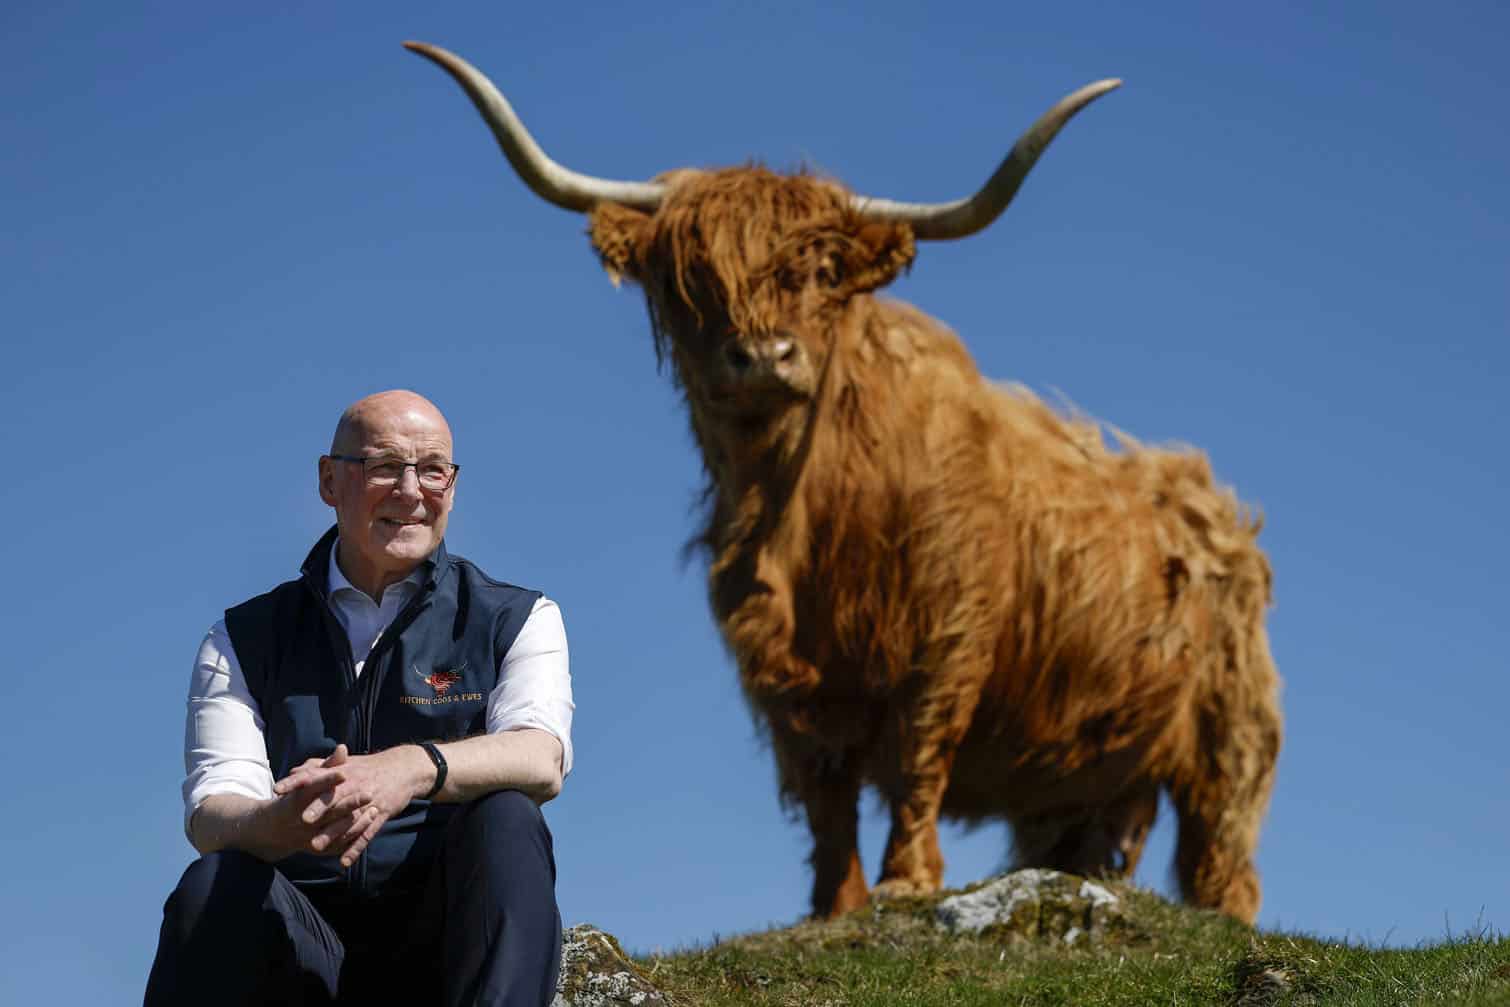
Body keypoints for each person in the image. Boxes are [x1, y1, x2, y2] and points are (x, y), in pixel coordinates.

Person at [146, 390, 573, 1007]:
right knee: (216, 880)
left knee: (509, 817)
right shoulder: (242, 637)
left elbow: (542, 757)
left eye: (433, 470)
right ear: (329, 480)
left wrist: (410, 768)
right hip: (303, 948)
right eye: (383, 466)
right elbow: (214, 812)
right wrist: (278, 822)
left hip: (449, 943)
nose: (411, 490)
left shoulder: (515, 616)